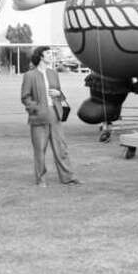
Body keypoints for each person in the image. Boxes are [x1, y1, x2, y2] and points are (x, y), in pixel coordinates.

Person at [20, 46, 80, 186]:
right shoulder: (29, 75)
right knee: (40, 150)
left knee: (61, 148)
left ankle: (68, 177)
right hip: (39, 116)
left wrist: (59, 94)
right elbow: (25, 97)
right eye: (48, 53)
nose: (51, 55)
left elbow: (59, 92)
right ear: (41, 56)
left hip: (55, 113)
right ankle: (41, 180)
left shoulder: (53, 73)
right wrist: (36, 109)